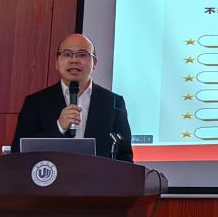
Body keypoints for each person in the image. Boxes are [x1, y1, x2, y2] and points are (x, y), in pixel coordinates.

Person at [11, 33, 133, 162]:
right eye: (67, 54)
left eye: (82, 55)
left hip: (98, 175)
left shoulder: (113, 102)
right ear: (56, 62)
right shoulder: (35, 102)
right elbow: (18, 152)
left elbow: (125, 156)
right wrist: (59, 127)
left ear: (94, 63)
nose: (74, 60)